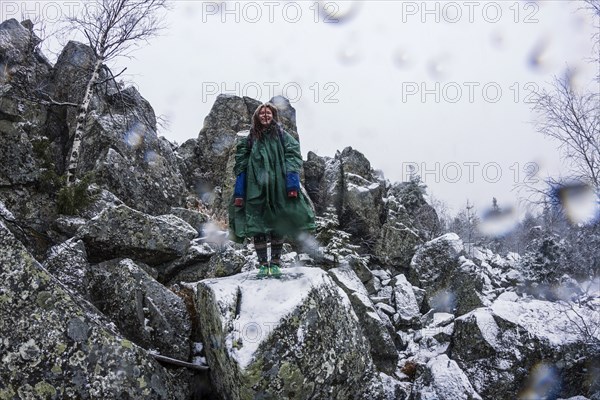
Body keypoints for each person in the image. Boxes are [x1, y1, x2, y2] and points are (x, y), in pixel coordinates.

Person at [228, 102, 315, 278]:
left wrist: (291, 182)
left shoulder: (282, 135)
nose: (265, 116)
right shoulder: (251, 137)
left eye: (268, 113)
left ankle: (275, 264)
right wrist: (240, 190)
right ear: (257, 117)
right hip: (255, 187)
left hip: (278, 186)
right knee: (257, 223)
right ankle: (262, 265)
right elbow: (241, 164)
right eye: (262, 113)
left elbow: (293, 155)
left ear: (273, 115)